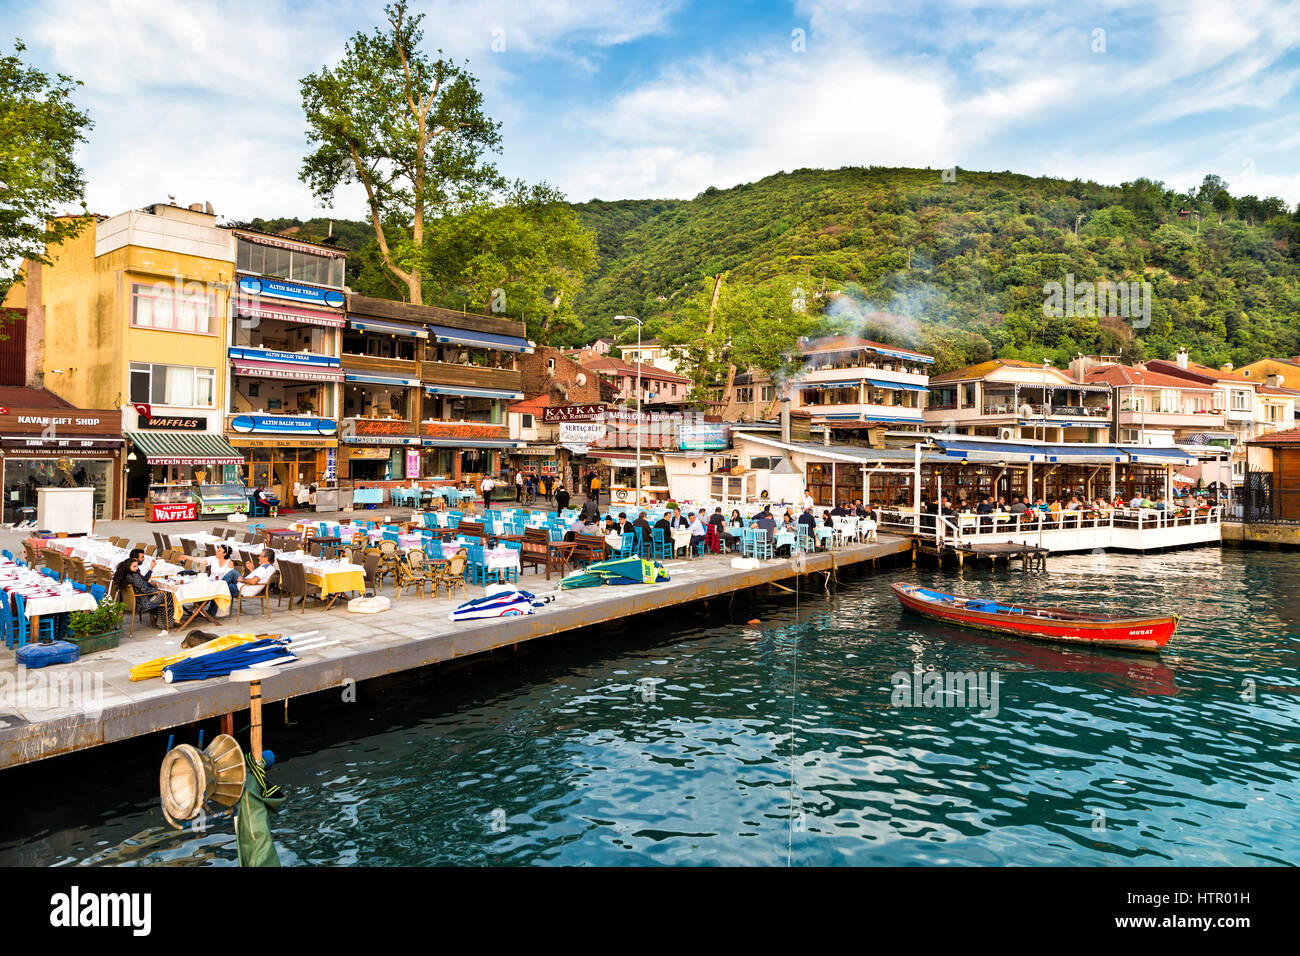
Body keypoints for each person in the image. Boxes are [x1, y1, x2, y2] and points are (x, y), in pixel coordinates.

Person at [111, 556, 168, 626]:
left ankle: (160, 619)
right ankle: (164, 622)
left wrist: (151, 568)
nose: (137, 568)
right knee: (166, 595)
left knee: (161, 594)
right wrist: (157, 590)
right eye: (134, 566)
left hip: (133, 601)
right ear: (128, 567)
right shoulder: (134, 576)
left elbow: (143, 581)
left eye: (137, 566)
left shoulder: (124, 575)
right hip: (142, 602)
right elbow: (145, 589)